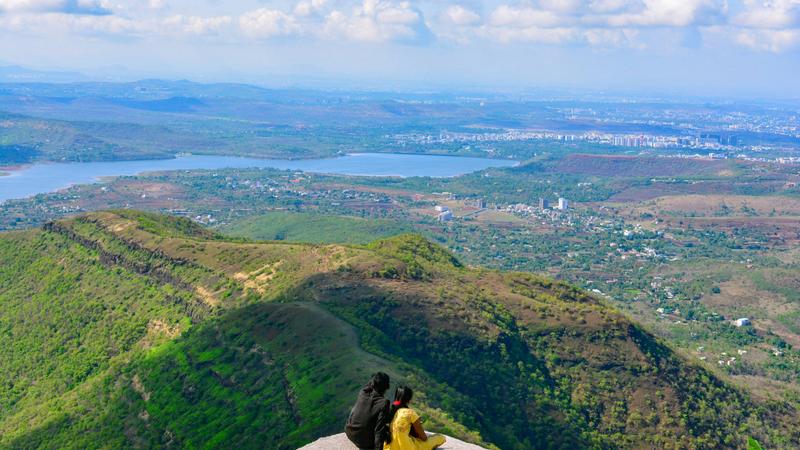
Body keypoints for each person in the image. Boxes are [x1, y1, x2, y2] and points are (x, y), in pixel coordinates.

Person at [383, 386, 445, 450]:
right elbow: (424, 438)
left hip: (388, 447)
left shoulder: (390, 410)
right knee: (440, 437)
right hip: (406, 447)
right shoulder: (410, 413)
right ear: (409, 399)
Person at [346, 372, 391, 450]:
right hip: (365, 442)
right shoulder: (384, 403)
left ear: (372, 383)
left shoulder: (363, 392)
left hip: (350, 432)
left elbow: (369, 385)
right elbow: (379, 430)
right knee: (387, 432)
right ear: (386, 387)